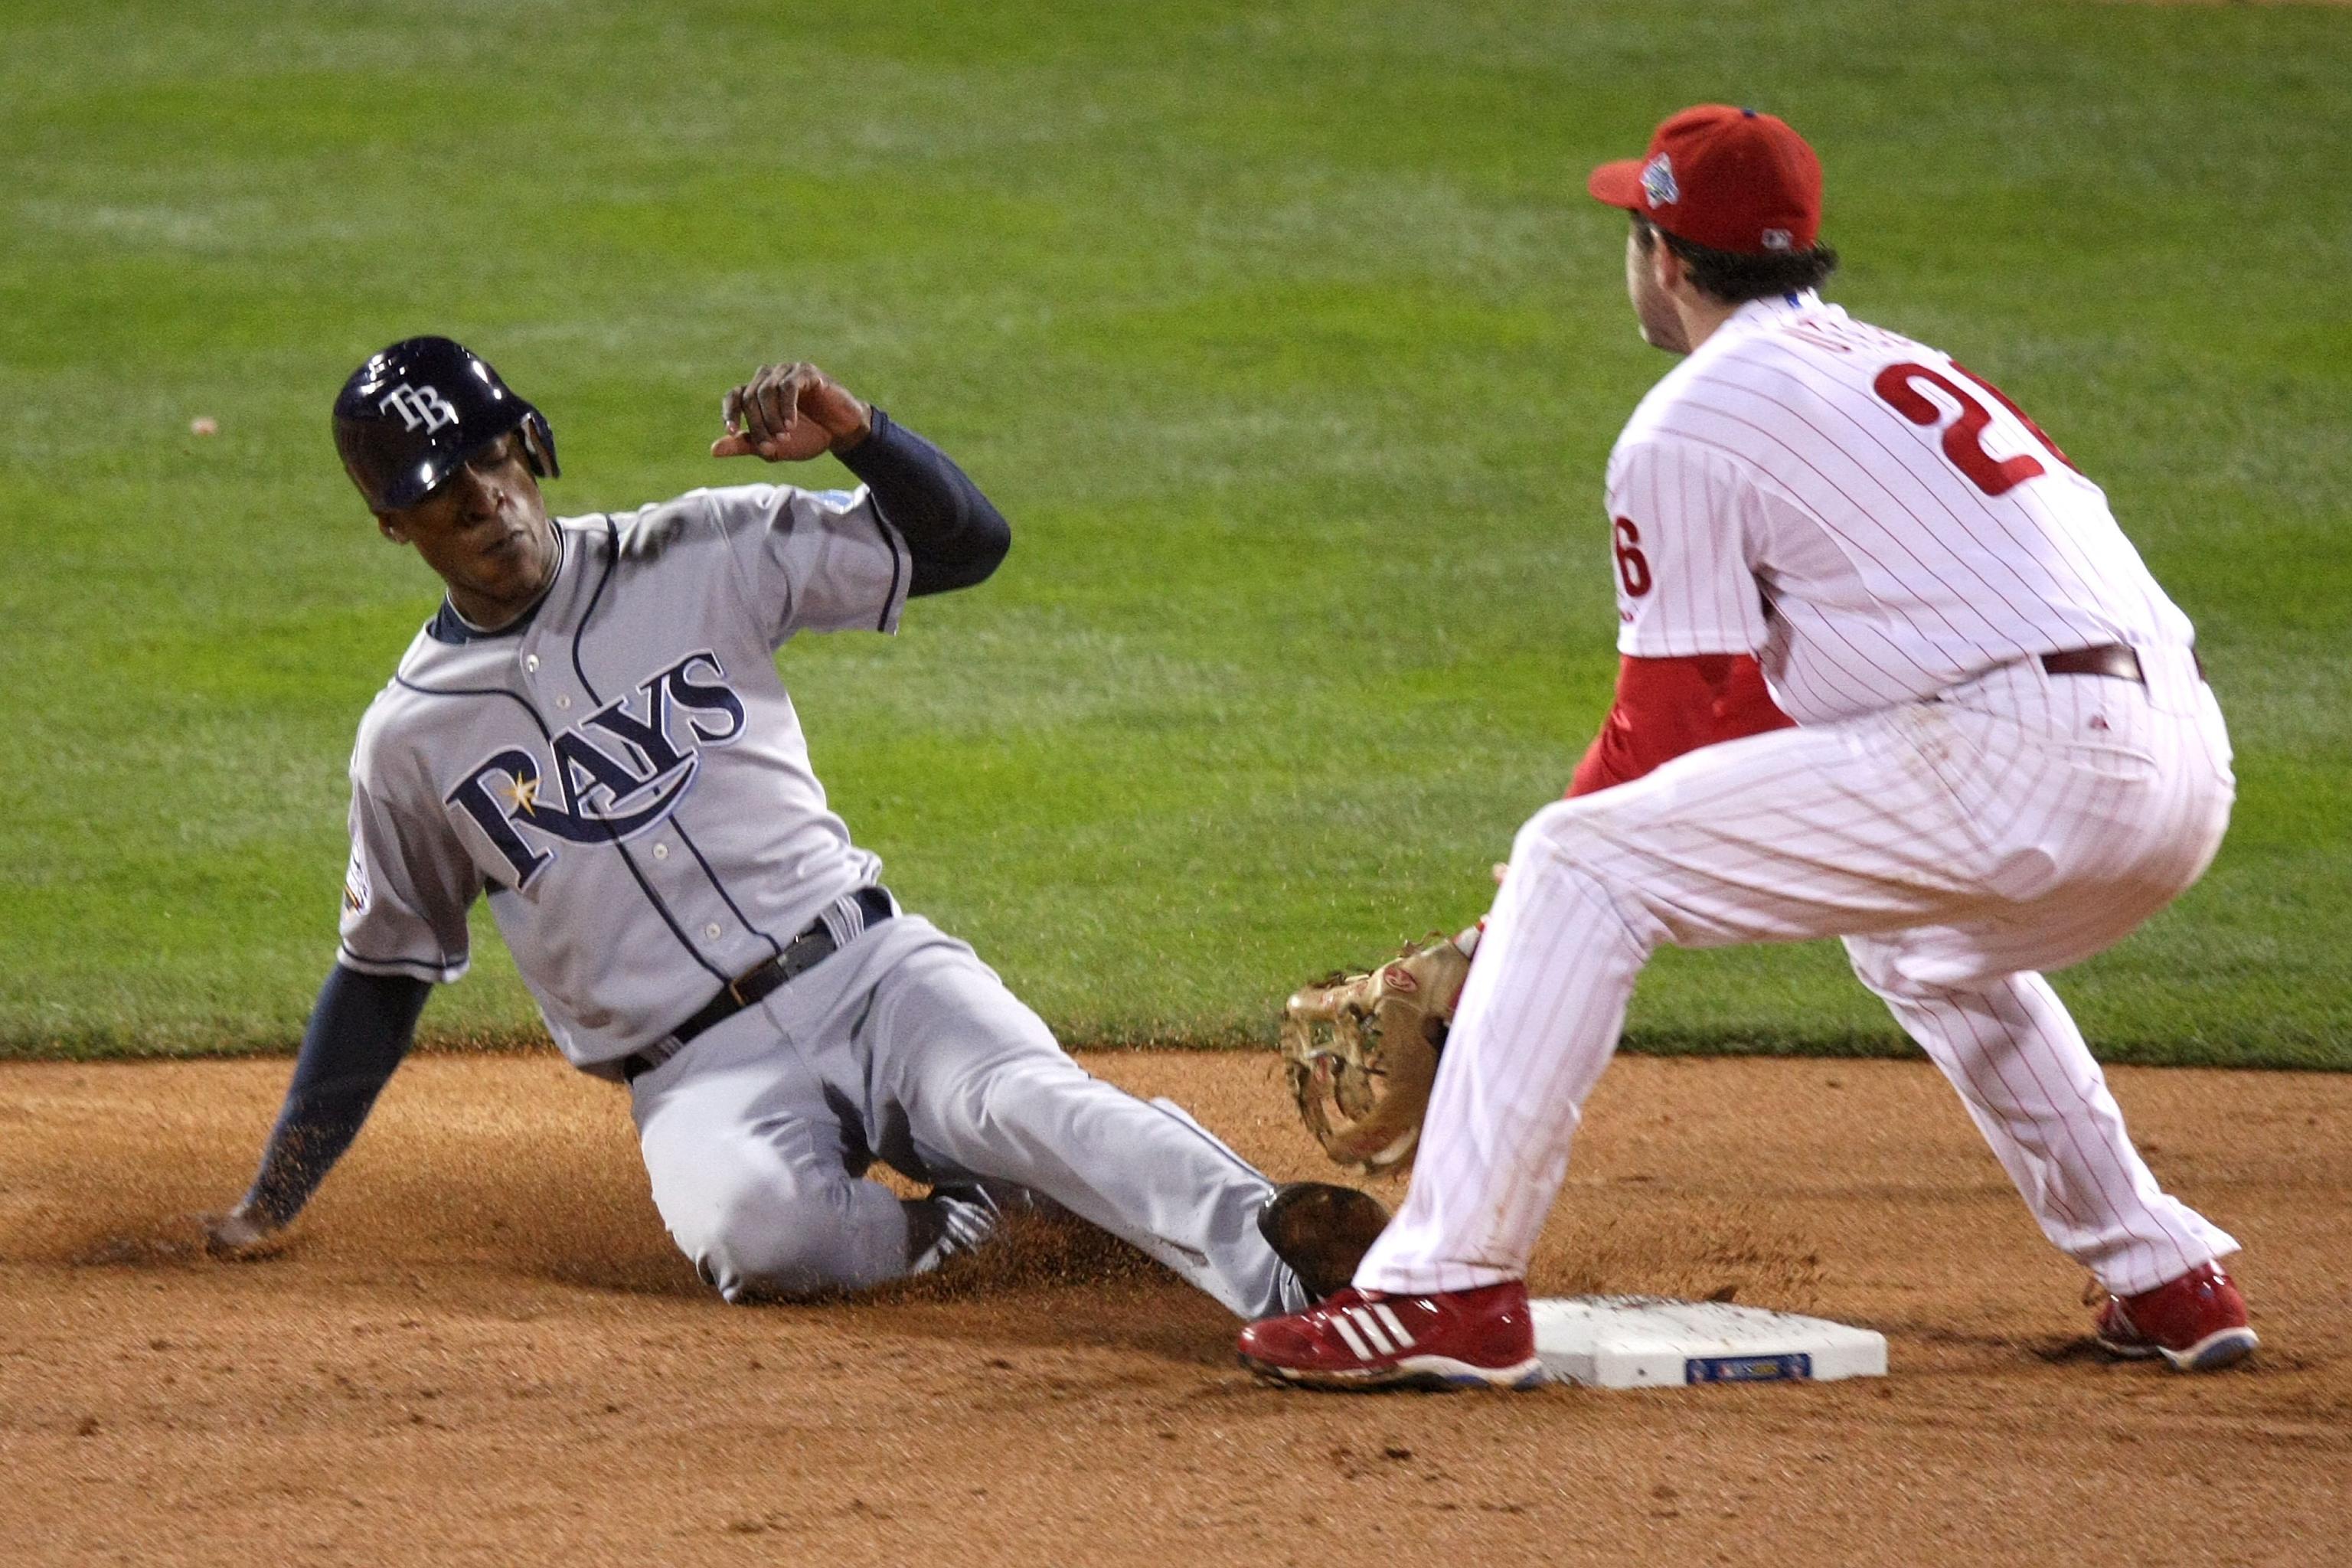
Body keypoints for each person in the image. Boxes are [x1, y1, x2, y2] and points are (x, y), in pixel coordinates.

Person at [1239, 105, 2256, 1389]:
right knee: (1918, 942)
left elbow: (1676, 723)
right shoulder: (1893, 366)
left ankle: (1447, 1290)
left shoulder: (1689, 420)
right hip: (2178, 769)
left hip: (2021, 756)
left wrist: (1504, 952)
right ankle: (2164, 1273)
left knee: (1579, 862)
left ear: (1664, 257)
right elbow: (1766, 717)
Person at [204, 336, 1386, 1321]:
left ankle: (1294, 1258)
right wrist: (278, 1194)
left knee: (1021, 1102)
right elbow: (384, 974)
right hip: (698, 1071)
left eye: (492, 456)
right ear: (392, 524)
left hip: (872, 970)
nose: (485, 499)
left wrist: (861, 434)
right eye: (438, 487)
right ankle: (1012, 1224)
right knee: (759, 1241)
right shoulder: (408, 744)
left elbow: (968, 548)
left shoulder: (700, 547)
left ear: (531, 447)